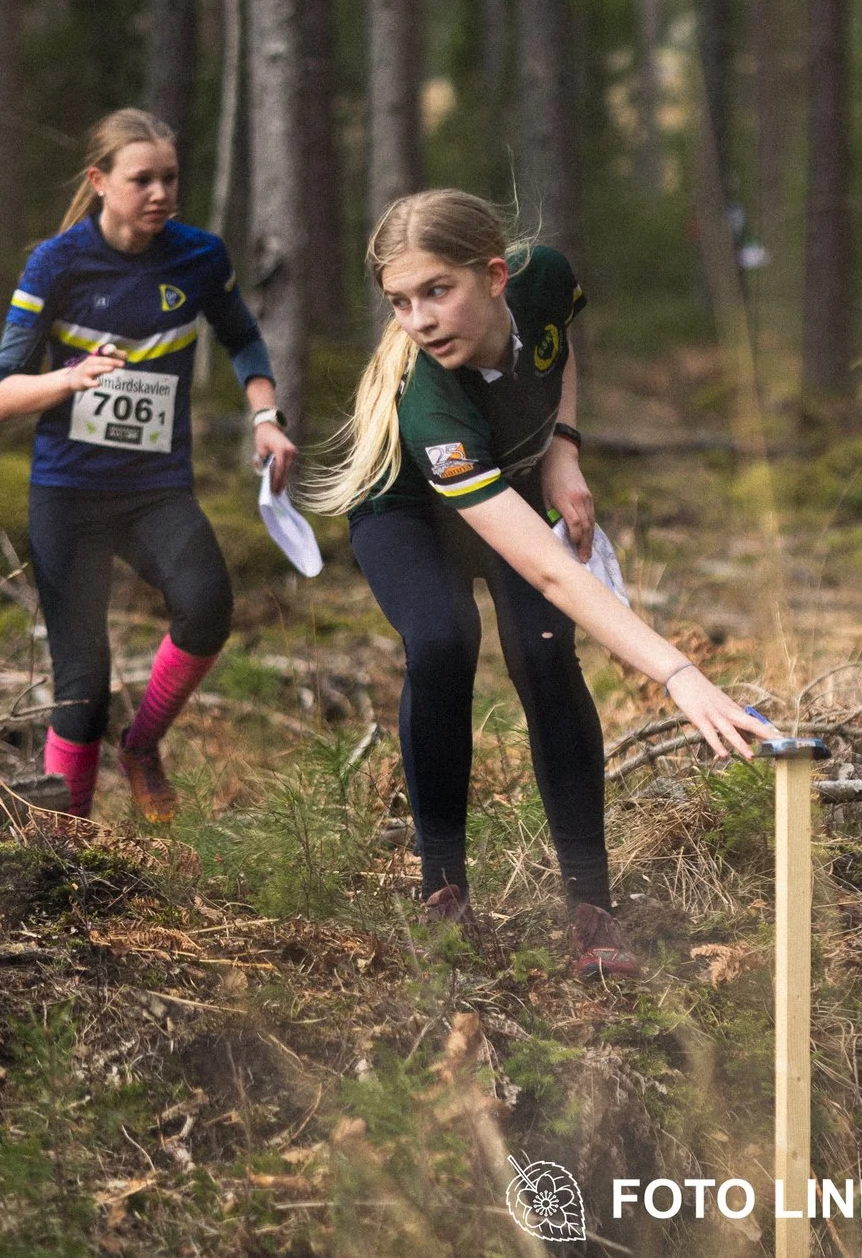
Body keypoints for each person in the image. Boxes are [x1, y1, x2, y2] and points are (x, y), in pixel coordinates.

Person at [306, 190, 775, 978]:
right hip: (407, 509)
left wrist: (563, 444)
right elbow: (553, 570)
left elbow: (560, 346)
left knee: (546, 654)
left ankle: (592, 909)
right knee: (443, 639)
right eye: (399, 302)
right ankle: (443, 892)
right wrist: (678, 672)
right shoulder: (432, 403)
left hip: (513, 476)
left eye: (436, 291)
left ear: (494, 275)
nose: (418, 319)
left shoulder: (544, 274)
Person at [0, 109, 298, 822]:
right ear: (100, 182)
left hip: (156, 489)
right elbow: (3, 394)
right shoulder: (56, 263)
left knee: (208, 605)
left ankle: (143, 745)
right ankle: (64, 846)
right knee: (82, 683)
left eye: (170, 178)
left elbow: (245, 341)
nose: (160, 193)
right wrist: (67, 379)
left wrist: (264, 417)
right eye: (142, 179)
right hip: (68, 493)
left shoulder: (198, 257)